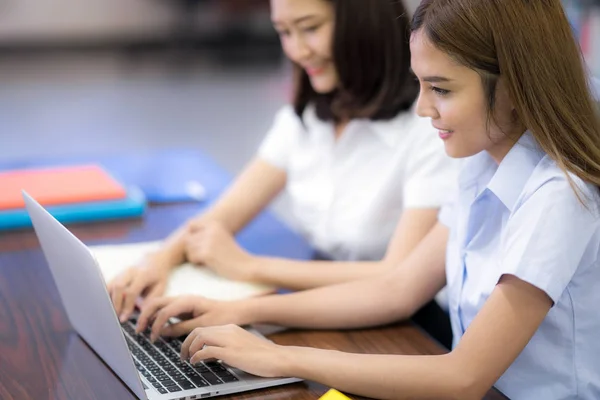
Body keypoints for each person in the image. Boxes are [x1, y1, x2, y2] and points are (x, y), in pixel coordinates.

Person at [135, 0, 600, 399]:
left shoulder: (558, 196)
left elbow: (463, 377)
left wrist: (278, 357)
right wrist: (245, 311)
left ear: (515, 88)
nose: (423, 108)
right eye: (421, 85)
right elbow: (396, 289)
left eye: (441, 89)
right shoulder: (479, 163)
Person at [108, 0, 456, 329]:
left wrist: (250, 267)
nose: (297, 50)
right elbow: (219, 219)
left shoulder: (430, 129)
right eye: (285, 32)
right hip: (325, 304)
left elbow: (396, 277)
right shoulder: (304, 119)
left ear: (362, 20)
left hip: (409, 324)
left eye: (310, 28)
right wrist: (159, 260)